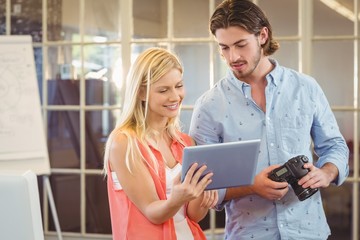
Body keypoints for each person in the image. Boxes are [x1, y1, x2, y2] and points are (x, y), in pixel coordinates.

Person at [189, 0, 349, 239]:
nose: (233, 57)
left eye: (240, 45)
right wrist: (251, 187)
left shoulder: (305, 88)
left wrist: (327, 172)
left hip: (308, 231)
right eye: (224, 48)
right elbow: (202, 186)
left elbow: (335, 146)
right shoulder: (209, 105)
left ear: (262, 35)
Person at [103, 47, 218, 240]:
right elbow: (152, 211)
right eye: (164, 90)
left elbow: (193, 215)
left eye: (179, 86)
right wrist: (176, 198)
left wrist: (203, 197)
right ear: (141, 93)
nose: (175, 97)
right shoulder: (124, 142)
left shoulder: (184, 142)